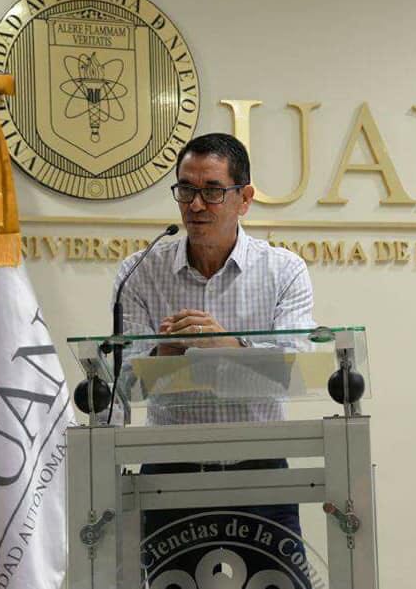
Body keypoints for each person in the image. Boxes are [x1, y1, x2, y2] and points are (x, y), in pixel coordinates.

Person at [113, 132, 315, 586]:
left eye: (212, 191)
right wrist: (161, 354)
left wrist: (225, 344)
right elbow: (121, 385)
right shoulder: (139, 272)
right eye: (186, 190)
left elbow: (296, 368)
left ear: (245, 199)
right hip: (170, 469)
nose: (196, 205)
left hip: (260, 469)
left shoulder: (283, 270)